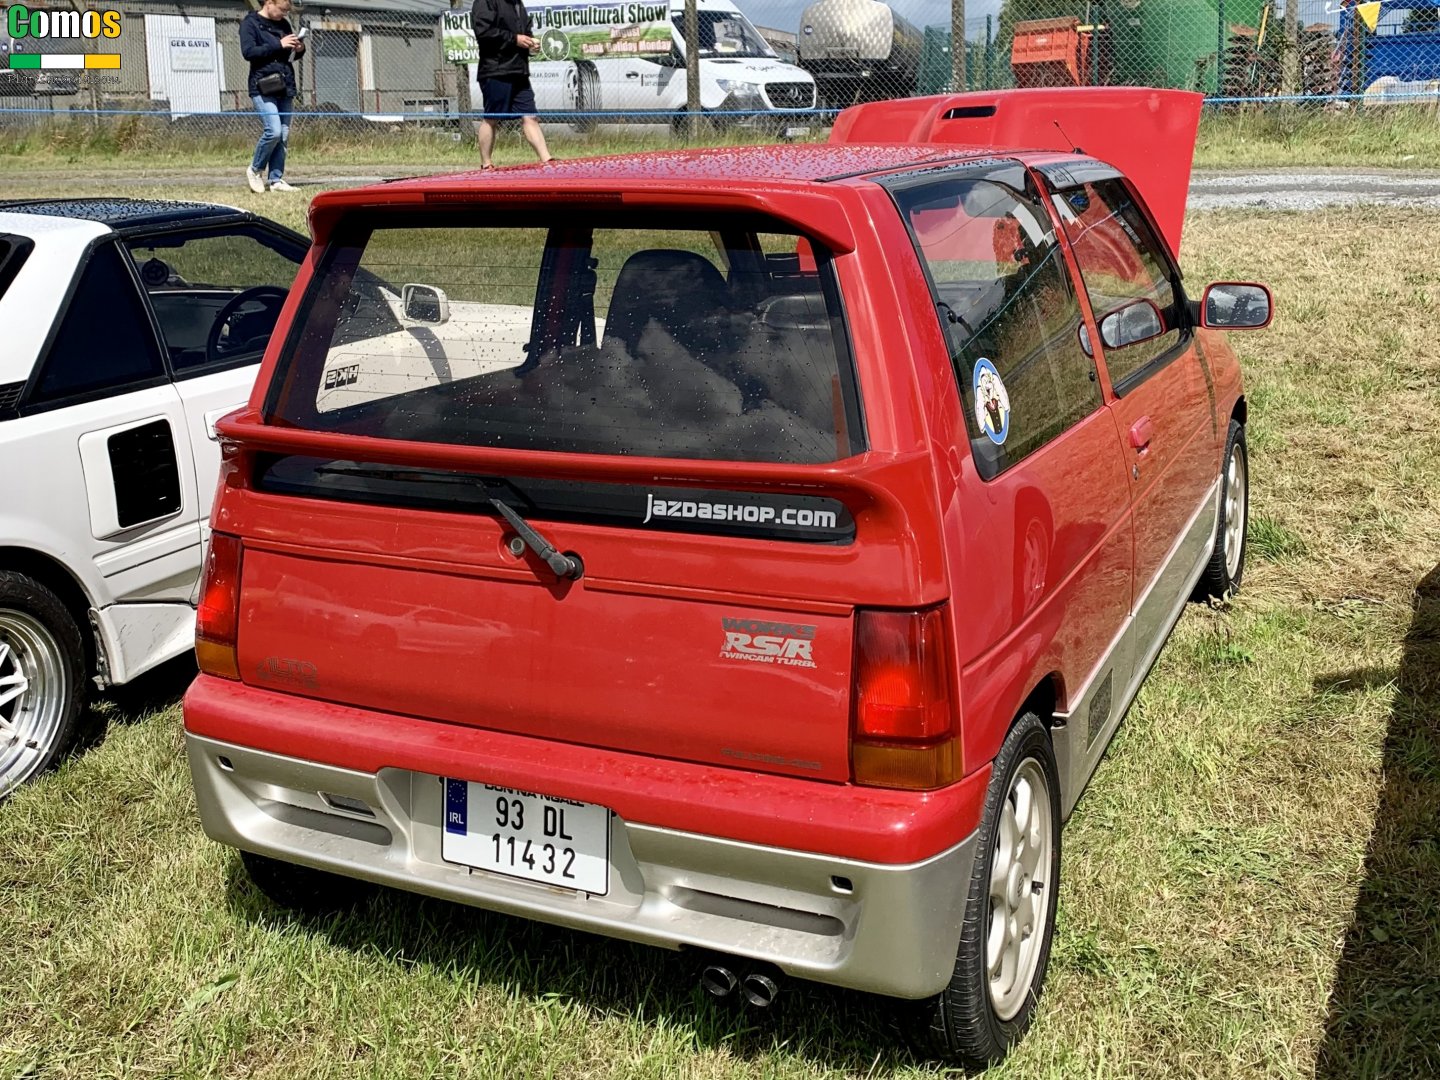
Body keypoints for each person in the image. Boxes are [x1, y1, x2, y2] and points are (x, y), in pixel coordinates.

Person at [470, 0, 553, 168]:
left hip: (519, 71)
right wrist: (514, 39)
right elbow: (484, 32)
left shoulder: (518, 3)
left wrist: (531, 43)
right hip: (496, 71)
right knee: (492, 119)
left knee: (530, 116)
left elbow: (525, 31)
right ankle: (486, 164)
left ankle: (547, 161)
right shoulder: (485, 2)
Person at [240, 0, 305, 193]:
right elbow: (249, 52)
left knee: (283, 135)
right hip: (262, 85)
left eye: (286, 11)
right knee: (274, 131)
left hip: (284, 84)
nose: (283, 15)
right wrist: (279, 44)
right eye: (281, 10)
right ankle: (254, 169)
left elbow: (285, 55)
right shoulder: (249, 23)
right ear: (269, 3)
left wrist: (298, 49)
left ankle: (276, 179)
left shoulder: (283, 24)